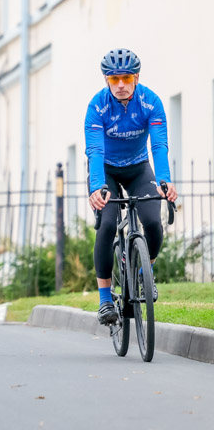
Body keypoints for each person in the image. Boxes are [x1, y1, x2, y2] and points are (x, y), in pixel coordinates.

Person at [85, 48, 177, 326]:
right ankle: (104, 299)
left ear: (136, 77)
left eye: (126, 78)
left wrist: (164, 180)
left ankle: (143, 273)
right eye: (114, 80)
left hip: (138, 167)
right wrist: (98, 187)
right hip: (107, 171)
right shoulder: (97, 107)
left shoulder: (151, 103)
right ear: (106, 81)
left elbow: (159, 145)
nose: (121, 85)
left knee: (152, 222)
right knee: (108, 225)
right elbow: (95, 152)